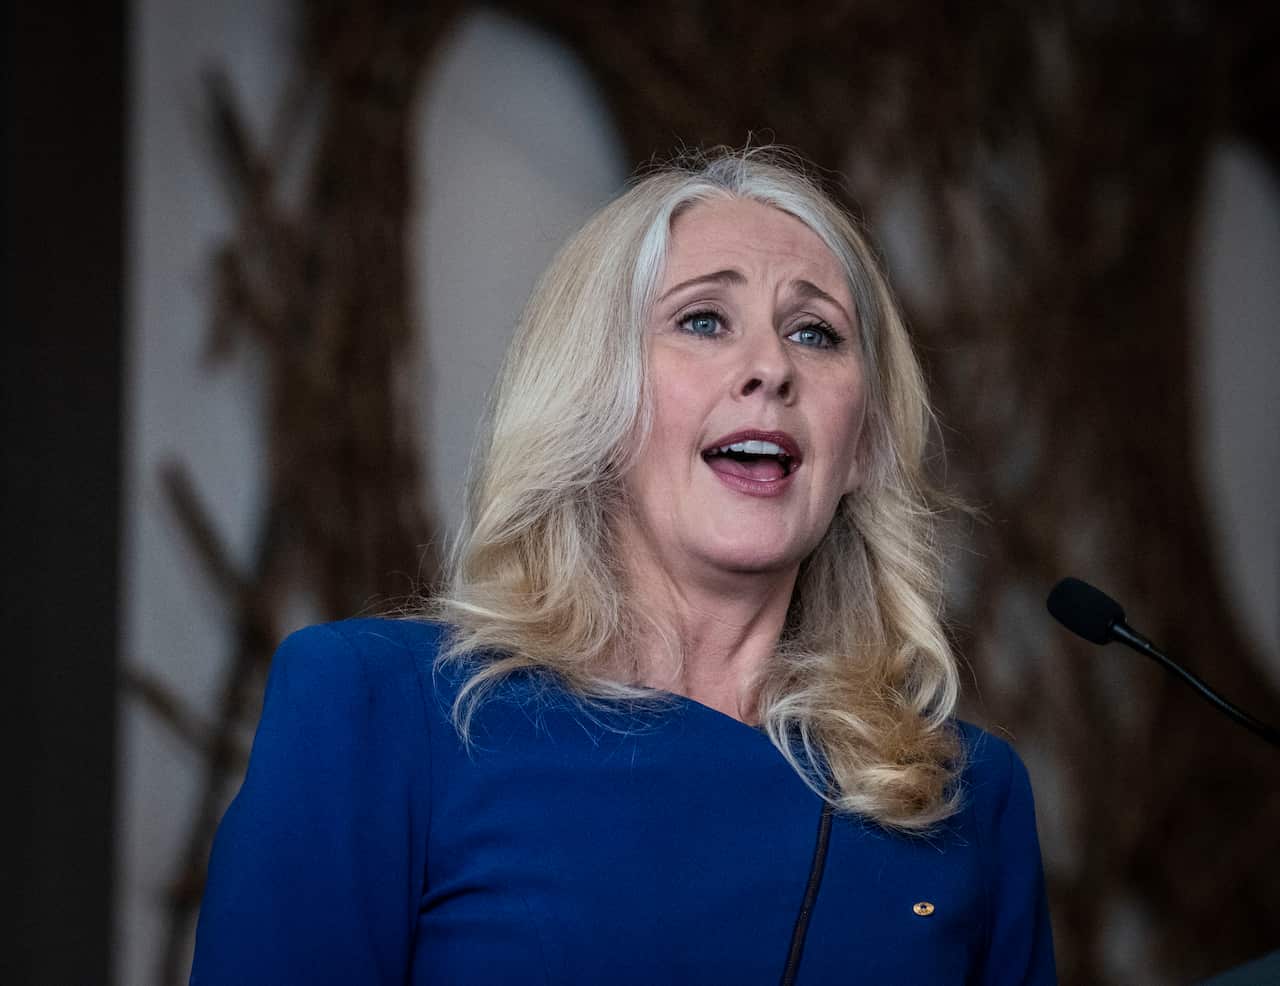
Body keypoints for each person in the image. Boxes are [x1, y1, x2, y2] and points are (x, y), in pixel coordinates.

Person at [190, 147, 1056, 984]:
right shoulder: (384, 711)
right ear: (592, 399)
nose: (771, 369)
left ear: (862, 442)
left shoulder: (962, 796)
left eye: (816, 332)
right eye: (703, 320)